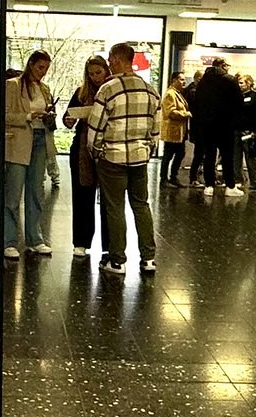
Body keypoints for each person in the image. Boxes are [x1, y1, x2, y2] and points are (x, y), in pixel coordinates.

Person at [90, 43, 162, 275]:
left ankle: (117, 261)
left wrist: (96, 151)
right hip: (140, 158)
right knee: (141, 205)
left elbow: (95, 127)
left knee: (115, 207)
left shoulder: (108, 89)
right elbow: (156, 128)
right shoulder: (150, 90)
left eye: (110, 59)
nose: (109, 63)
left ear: (116, 59)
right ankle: (148, 258)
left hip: (113, 157)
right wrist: (148, 148)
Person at [1, 50, 56, 259]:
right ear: (31, 64)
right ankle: (9, 240)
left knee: (36, 191)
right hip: (19, 141)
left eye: (46, 69)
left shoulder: (44, 88)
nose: (43, 72)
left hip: (41, 139)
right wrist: (28, 116)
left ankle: (35, 239)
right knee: (13, 193)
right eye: (40, 67)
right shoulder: (13, 85)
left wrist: (49, 116)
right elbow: (5, 115)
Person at [63, 56, 111, 258]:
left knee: (109, 200)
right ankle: (81, 241)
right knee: (82, 196)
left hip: (107, 148)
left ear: (106, 70)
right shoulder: (81, 92)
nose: (95, 78)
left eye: (98, 73)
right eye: (91, 74)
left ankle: (109, 245)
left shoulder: (112, 91)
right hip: (82, 149)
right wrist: (69, 120)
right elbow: (67, 118)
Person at [187, 60, 245, 196]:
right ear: (222, 66)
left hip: (207, 125)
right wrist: (236, 121)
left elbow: (197, 103)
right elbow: (238, 102)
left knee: (209, 155)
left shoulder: (203, 81)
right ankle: (230, 186)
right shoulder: (230, 80)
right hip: (226, 125)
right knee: (227, 156)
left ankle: (209, 185)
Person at [159, 73, 191, 187]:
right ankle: (164, 179)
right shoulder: (170, 94)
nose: (184, 82)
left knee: (180, 154)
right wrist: (186, 114)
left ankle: (173, 177)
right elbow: (171, 112)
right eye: (181, 80)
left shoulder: (177, 93)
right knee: (168, 155)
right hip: (172, 131)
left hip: (179, 132)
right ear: (174, 80)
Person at [237, 73, 256, 189]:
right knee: (236, 158)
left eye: (241, 83)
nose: (239, 85)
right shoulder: (236, 96)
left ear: (248, 84)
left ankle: (255, 182)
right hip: (237, 130)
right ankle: (238, 180)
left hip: (250, 132)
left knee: (251, 157)